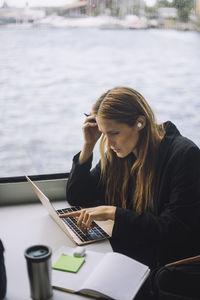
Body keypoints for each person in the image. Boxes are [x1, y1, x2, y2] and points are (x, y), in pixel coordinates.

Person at [61, 86, 200, 270]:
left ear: (140, 123)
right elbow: (78, 196)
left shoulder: (184, 155)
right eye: (104, 133)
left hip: (164, 264)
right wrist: (88, 145)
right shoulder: (121, 154)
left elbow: (173, 230)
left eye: (114, 133)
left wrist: (114, 213)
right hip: (131, 249)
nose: (109, 144)